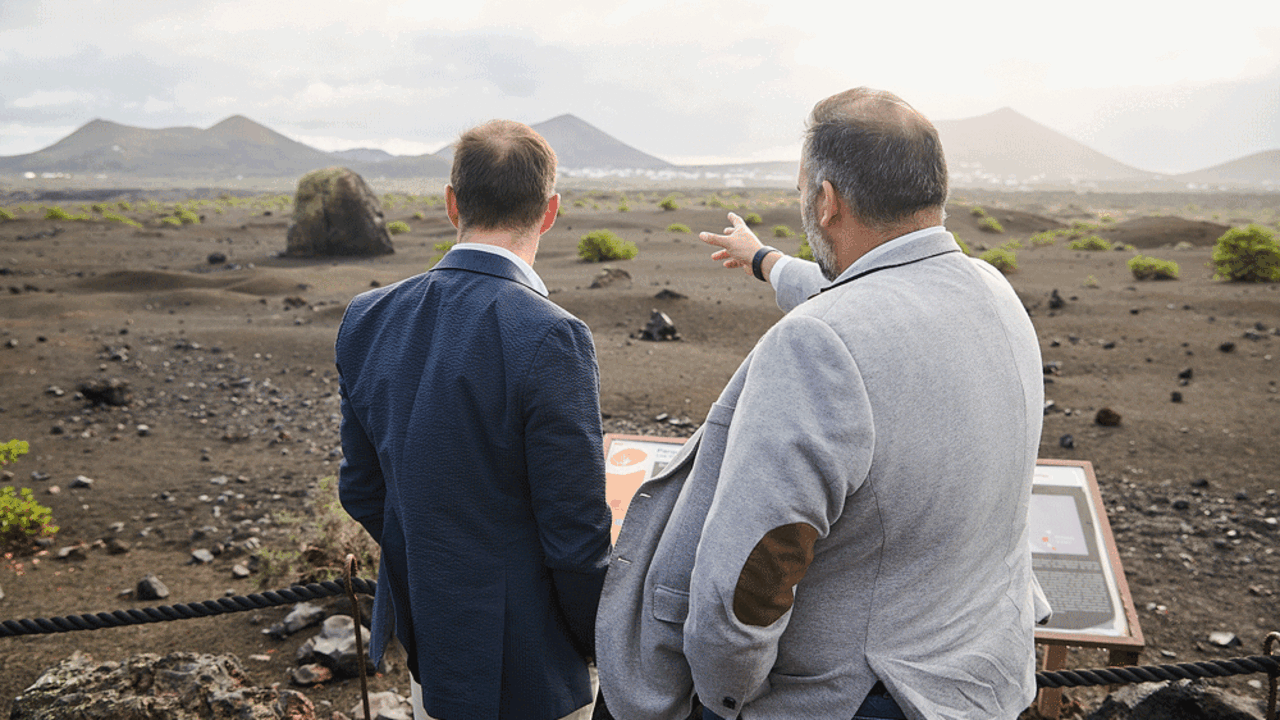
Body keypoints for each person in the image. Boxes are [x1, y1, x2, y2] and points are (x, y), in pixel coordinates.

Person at [595, 88, 1047, 720]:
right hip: (978, 684)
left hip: (854, 698)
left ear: (827, 200)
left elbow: (751, 579)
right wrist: (765, 261)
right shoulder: (993, 294)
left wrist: (727, 696)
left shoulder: (819, 344)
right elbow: (873, 292)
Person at [337, 119, 611, 720]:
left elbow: (360, 489)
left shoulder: (366, 317)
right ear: (549, 212)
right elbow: (575, 533)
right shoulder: (552, 336)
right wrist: (604, 643)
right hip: (534, 667)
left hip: (428, 645)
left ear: (452, 203)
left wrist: (436, 562)